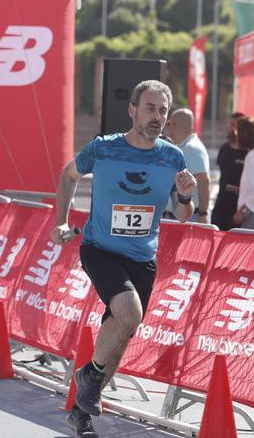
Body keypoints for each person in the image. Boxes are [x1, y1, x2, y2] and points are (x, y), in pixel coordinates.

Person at [50, 80, 195, 437]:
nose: (157, 117)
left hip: (142, 258)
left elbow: (183, 214)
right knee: (129, 311)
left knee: (121, 332)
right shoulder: (103, 148)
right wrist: (61, 221)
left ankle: (80, 411)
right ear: (132, 110)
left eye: (163, 110)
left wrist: (188, 197)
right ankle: (88, 376)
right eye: (150, 108)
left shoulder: (172, 156)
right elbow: (69, 176)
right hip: (100, 249)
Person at [166, 108, 210, 223]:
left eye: (169, 123)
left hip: (190, 218)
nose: (167, 127)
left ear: (175, 125)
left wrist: (203, 214)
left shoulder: (192, 148)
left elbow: (204, 182)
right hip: (182, 216)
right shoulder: (186, 147)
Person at [211, 112, 248, 231]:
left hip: (238, 209)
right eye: (231, 124)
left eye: (236, 125)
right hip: (221, 205)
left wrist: (242, 210)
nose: (233, 128)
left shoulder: (249, 153)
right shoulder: (224, 148)